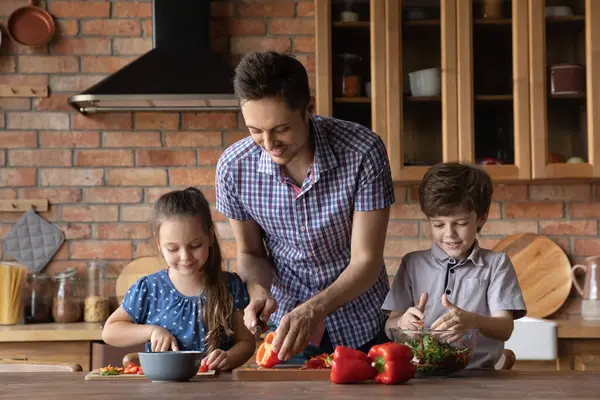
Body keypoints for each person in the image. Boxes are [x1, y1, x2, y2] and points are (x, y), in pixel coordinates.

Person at [216, 51, 395, 363]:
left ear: (309, 107)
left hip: (363, 324)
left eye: (281, 128)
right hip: (287, 333)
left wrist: (314, 308)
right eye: (255, 130)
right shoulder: (233, 168)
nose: (269, 143)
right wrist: (257, 291)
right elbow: (251, 253)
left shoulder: (363, 152)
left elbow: (366, 260)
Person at [382, 162, 527, 369]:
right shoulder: (412, 263)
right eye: (438, 224)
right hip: (421, 378)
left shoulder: (496, 264)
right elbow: (390, 325)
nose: (449, 234)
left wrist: (474, 321)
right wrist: (402, 323)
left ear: (481, 218)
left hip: (479, 378)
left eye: (460, 223)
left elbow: (505, 328)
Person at [102, 187, 255, 371]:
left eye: (195, 245)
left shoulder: (230, 285)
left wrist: (229, 358)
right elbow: (110, 331)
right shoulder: (149, 288)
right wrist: (151, 331)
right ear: (159, 245)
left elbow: (246, 342)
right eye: (173, 249)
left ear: (210, 236)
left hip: (217, 390)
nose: (185, 256)